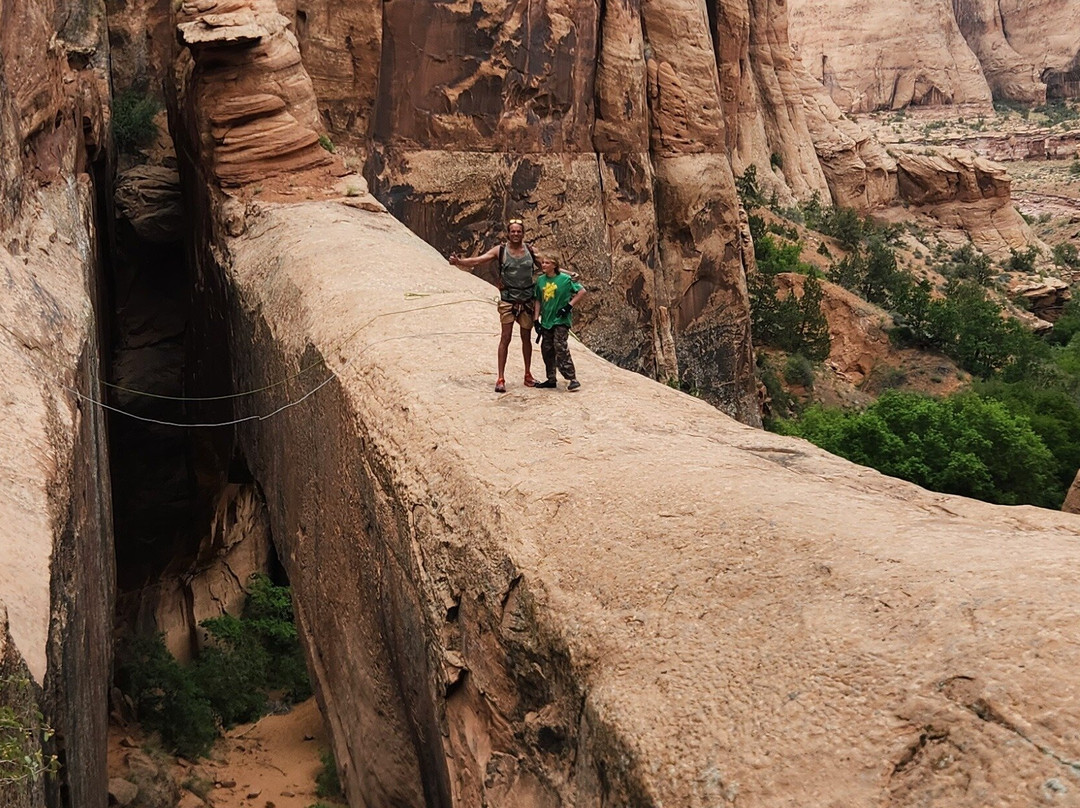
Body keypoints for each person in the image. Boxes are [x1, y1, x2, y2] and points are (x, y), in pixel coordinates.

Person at [450, 218, 537, 393]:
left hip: (527, 300)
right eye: (512, 231)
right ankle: (500, 378)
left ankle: (528, 374)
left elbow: (548, 265)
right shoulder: (501, 250)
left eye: (518, 231)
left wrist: (566, 276)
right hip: (508, 300)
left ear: (523, 233)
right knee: (505, 337)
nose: (515, 234)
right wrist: (460, 262)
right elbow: (479, 260)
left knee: (526, 337)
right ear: (508, 233)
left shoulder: (530, 250)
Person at [532, 255, 586, 391]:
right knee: (547, 348)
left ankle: (572, 378)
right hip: (546, 320)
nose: (543, 265)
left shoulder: (565, 279)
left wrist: (569, 306)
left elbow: (581, 291)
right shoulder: (541, 280)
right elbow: (538, 299)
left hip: (560, 319)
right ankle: (551, 378)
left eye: (547, 263)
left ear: (554, 265)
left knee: (560, 346)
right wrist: (536, 319)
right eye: (543, 262)